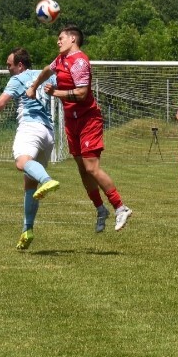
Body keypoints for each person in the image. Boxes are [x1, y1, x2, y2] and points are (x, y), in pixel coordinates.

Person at [26, 24, 133, 233]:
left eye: (61, 38)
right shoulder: (61, 60)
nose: (58, 41)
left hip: (88, 120)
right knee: (83, 171)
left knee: (92, 167)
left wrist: (55, 93)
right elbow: (48, 70)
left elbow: (83, 93)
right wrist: (34, 85)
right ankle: (100, 209)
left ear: (73, 39)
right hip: (71, 120)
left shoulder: (79, 62)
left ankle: (121, 207)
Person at [0, 48, 61, 250]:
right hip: (48, 133)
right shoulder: (45, 76)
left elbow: (1, 103)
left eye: (9, 64)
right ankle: (27, 229)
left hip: (30, 128)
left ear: (20, 65)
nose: (8, 68)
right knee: (29, 185)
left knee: (21, 161)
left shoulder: (18, 78)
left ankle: (47, 180)